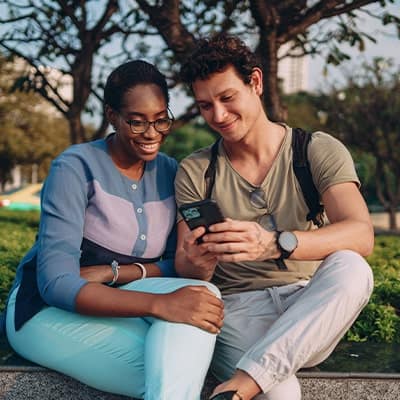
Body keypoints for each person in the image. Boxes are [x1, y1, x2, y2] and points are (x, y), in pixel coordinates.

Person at [1, 60, 224, 400]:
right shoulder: (74, 168)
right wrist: (158, 305)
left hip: (121, 299)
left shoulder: (170, 171)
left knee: (200, 298)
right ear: (112, 116)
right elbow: (56, 284)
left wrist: (112, 272)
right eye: (136, 123)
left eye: (161, 119)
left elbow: (176, 267)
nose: (151, 134)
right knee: (173, 371)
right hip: (43, 313)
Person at [174, 34, 374, 400]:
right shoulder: (196, 170)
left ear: (256, 82)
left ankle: (243, 386)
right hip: (237, 311)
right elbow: (188, 272)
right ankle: (254, 382)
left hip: (310, 306)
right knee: (280, 394)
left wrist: (273, 243)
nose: (217, 116)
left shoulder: (315, 150)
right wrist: (198, 262)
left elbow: (362, 235)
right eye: (205, 106)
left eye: (227, 98)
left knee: (353, 267)